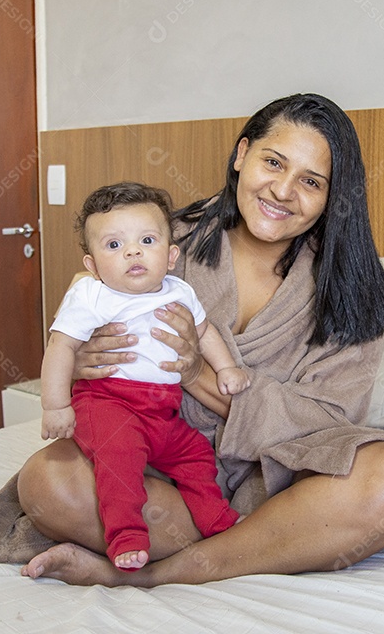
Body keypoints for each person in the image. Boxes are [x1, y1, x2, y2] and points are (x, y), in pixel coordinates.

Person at [10, 93, 384, 586]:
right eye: (273, 162)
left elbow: (328, 422)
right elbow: (82, 327)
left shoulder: (351, 287)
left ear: (332, 197)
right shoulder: (161, 243)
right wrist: (84, 363)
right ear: (241, 155)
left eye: (311, 181)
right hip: (161, 476)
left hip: (280, 482)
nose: (282, 190)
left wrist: (195, 373)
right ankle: (278, 541)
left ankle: (151, 574)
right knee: (47, 482)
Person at [40, 181, 249, 571]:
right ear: (92, 265)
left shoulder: (179, 291)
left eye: (147, 240)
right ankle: (127, 536)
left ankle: (213, 516)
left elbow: (204, 333)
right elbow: (61, 348)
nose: (133, 252)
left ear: (171, 255)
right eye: (114, 246)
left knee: (196, 455)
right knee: (120, 459)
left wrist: (226, 368)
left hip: (161, 413)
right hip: (107, 402)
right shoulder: (91, 297)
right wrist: (55, 405)